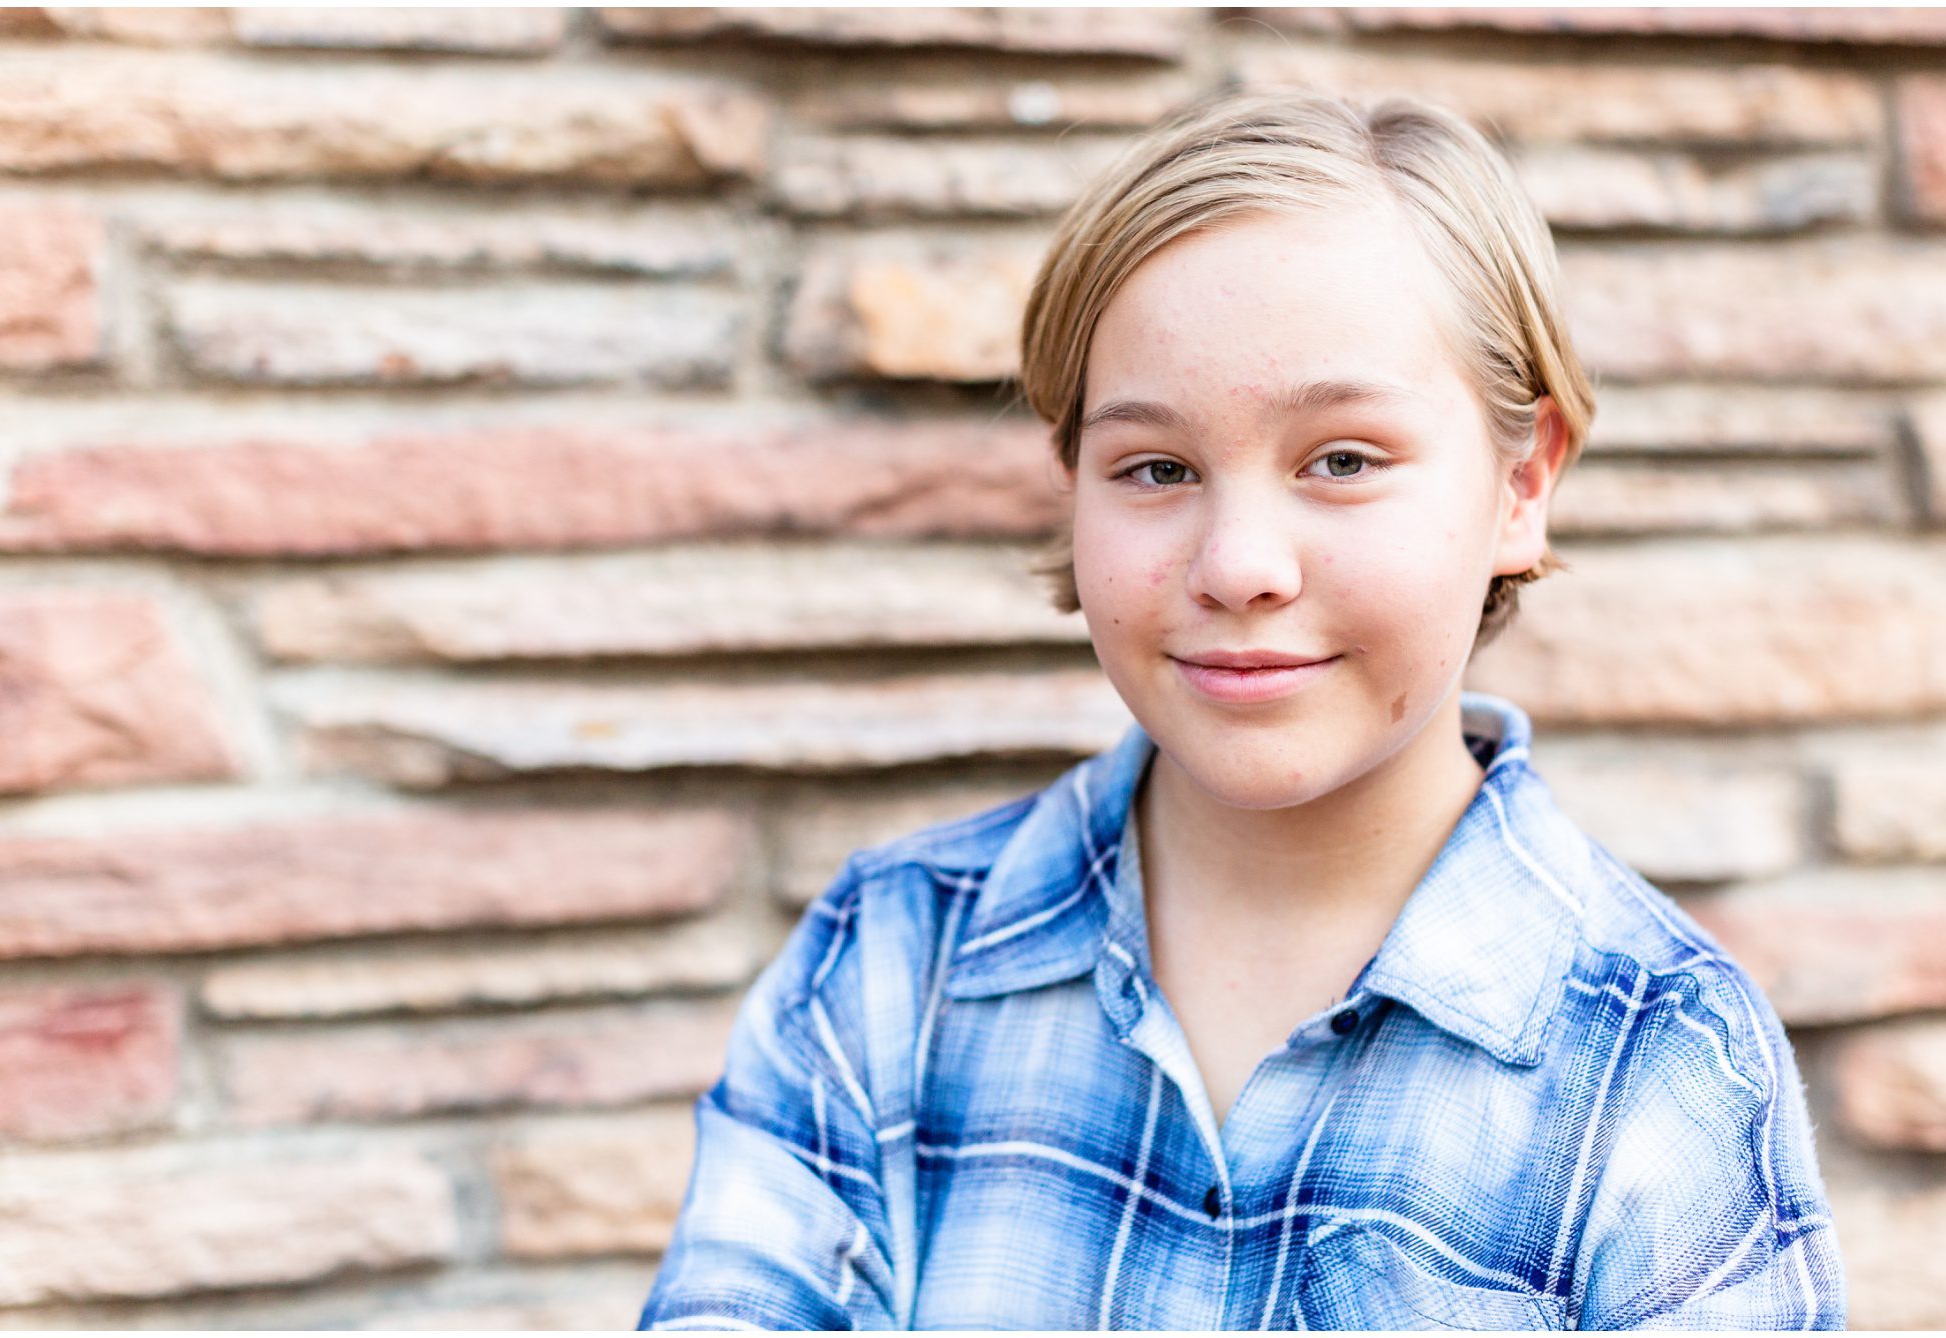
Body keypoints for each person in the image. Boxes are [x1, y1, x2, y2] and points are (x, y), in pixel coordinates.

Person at [638, 86, 1846, 1331]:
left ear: (1520, 483)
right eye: (1154, 469)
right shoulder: (884, 966)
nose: (1238, 564)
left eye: (1341, 460)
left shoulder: (1657, 1066)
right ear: (1074, 492)